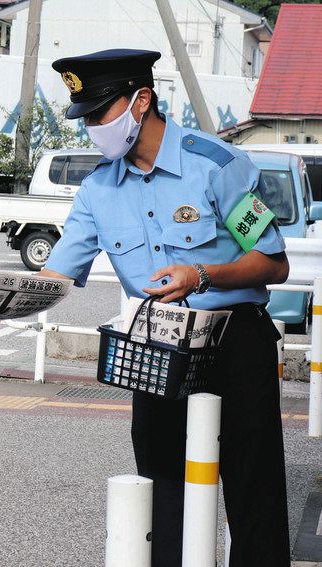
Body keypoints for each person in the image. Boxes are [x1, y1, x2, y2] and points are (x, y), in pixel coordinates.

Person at [41, 49, 290, 567]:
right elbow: (55, 275)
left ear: (141, 101)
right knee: (161, 491)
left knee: (253, 490)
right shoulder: (96, 191)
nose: (90, 127)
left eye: (98, 114)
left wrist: (203, 274)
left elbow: (272, 261)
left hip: (236, 342)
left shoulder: (219, 165)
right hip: (159, 349)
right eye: (83, 117)